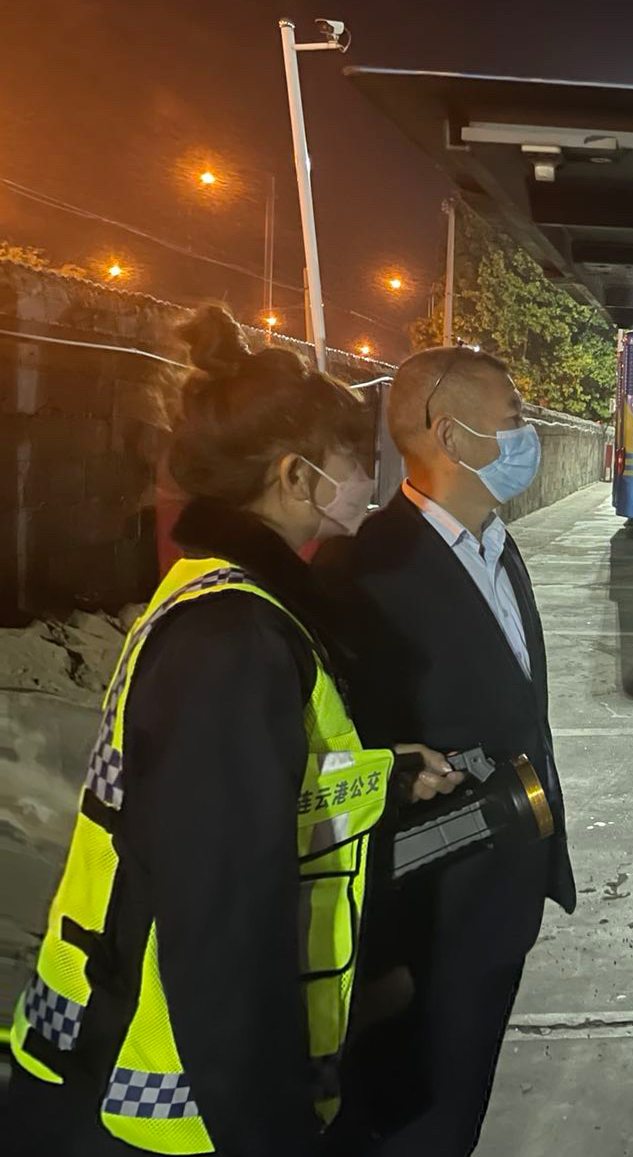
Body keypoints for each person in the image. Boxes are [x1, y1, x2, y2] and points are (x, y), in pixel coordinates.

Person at [6, 306, 461, 1156]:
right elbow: (220, 919)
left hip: (137, 1061)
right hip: (161, 1096)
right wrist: (271, 1132)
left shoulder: (224, 598)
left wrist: (384, 778)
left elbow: (247, 801)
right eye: (354, 458)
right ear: (295, 476)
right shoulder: (235, 639)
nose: (368, 476)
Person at [315, 345, 574, 1157]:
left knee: (460, 1111)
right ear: (453, 438)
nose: (527, 437)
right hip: (422, 919)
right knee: (412, 1121)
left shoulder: (497, 543)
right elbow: (348, 757)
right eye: (514, 419)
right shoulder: (365, 570)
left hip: (502, 895)